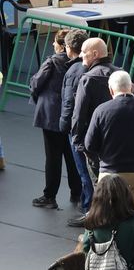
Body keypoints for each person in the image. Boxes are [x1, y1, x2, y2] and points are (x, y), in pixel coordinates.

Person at [84, 71, 134, 213]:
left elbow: (89, 145)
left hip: (109, 175)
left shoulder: (101, 111)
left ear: (110, 90)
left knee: (108, 217)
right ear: (132, 87)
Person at [30, 29, 81, 211]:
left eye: (54, 42)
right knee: (71, 155)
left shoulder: (51, 62)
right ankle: (77, 191)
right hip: (71, 116)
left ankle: (49, 196)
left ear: (61, 45)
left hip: (51, 116)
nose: (52, 44)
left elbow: (36, 83)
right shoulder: (80, 64)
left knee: (53, 157)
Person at [59, 30, 93, 226]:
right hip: (93, 127)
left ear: (68, 48)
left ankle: (89, 211)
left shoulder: (73, 71)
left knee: (84, 172)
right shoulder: (94, 68)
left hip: (78, 130)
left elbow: (69, 102)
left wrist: (64, 126)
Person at [71, 38, 120, 172]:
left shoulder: (88, 79)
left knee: (96, 186)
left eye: (83, 52)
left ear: (94, 54)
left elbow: (79, 114)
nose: (80, 55)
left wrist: (78, 142)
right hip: (118, 140)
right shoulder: (121, 74)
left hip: (95, 141)